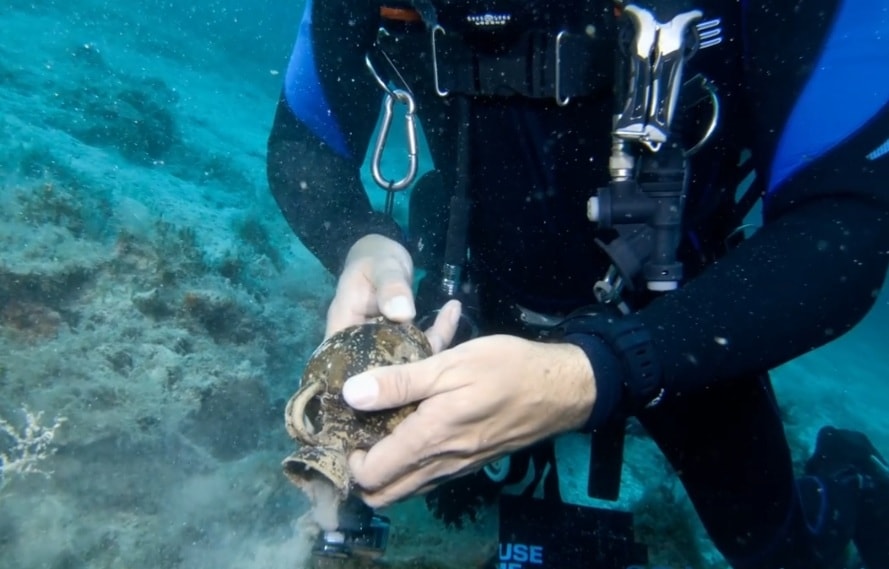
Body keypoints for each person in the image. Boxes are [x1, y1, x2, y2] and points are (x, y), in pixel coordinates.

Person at [266, 0, 889, 567]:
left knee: (781, 551)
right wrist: (360, 238)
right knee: (379, 473)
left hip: (678, 320)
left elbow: (850, 222)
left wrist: (594, 372)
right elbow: (303, 140)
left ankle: (847, 482)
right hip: (476, 289)